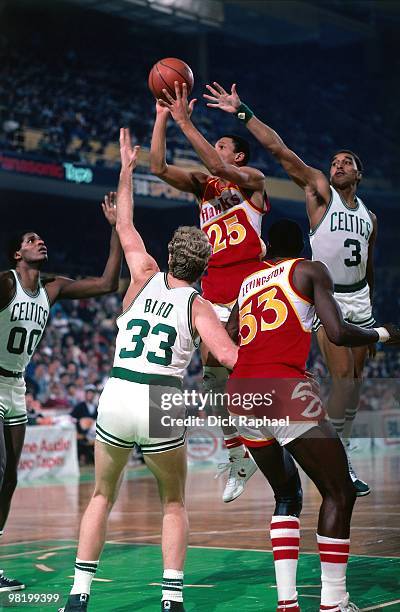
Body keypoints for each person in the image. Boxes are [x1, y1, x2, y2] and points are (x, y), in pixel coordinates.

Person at [59, 128, 238, 612]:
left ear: (170, 256)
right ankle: (172, 598)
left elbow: (126, 223)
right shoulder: (198, 304)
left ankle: (78, 595)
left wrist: (126, 168)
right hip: (162, 398)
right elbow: (228, 358)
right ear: (203, 267)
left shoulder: (142, 273)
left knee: (100, 496)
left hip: (117, 392)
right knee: (173, 503)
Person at [204, 81, 377, 496]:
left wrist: (369, 310)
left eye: (345, 162)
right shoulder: (319, 190)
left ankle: (342, 447)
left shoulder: (371, 216)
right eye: (334, 161)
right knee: (341, 377)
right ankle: (338, 458)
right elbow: (280, 149)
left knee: (352, 386)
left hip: (361, 298)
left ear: (358, 172)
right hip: (326, 296)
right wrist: (242, 111)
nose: (337, 166)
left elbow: (368, 263)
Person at [224, 219, 399, 612]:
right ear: (304, 247)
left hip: (240, 393)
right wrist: (383, 334)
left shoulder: (248, 282)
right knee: (340, 491)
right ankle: (334, 602)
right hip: (283, 390)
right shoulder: (309, 269)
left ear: (269, 247)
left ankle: (287, 603)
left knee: (286, 494)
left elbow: (232, 331)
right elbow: (338, 333)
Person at [150, 81, 270, 502]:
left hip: (251, 291)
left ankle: (281, 440)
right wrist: (163, 118)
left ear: (237, 155)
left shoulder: (252, 182)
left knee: (243, 373)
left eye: (221, 144)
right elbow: (159, 167)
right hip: (213, 293)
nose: (215, 149)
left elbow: (222, 172)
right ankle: (239, 453)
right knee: (213, 379)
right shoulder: (202, 186)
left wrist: (185, 119)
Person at [0, 193, 123, 592]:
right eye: (32, 239)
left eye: (41, 239)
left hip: (16, 385)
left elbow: (106, 284)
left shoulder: (51, 289)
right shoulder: (5, 283)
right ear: (17, 252)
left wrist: (117, 229)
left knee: (10, 479)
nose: (41, 242)